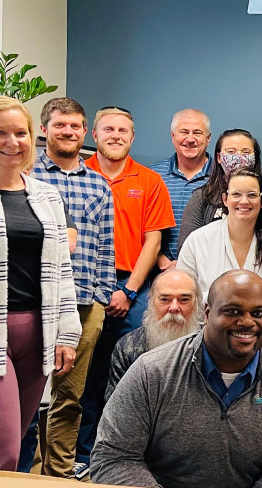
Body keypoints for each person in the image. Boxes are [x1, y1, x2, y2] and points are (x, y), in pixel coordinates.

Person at [90, 269, 262, 488]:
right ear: (207, 314)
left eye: (259, 313)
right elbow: (113, 455)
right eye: (233, 311)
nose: (247, 322)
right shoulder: (152, 371)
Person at [0, 96, 81, 471]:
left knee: (21, 439)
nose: (12, 142)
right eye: (0, 132)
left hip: (38, 334)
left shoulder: (46, 195)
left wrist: (67, 332)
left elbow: (62, 269)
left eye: (21, 133)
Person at [76, 106, 176, 476]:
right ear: (95, 135)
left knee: (139, 364)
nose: (116, 135)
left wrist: (129, 291)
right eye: (108, 129)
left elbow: (154, 241)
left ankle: (131, 451)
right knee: (85, 372)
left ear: (132, 137)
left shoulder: (149, 181)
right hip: (84, 284)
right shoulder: (80, 175)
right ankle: (84, 455)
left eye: (123, 130)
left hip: (132, 282)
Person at [26, 97, 118, 478]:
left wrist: (101, 296)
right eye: (60, 125)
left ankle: (59, 473)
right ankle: (26, 472)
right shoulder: (26, 175)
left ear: (85, 132)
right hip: (32, 301)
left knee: (70, 397)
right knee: (28, 395)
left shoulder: (98, 184)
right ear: (45, 129)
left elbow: (105, 246)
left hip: (84, 303)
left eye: (75, 126)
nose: (68, 132)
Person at [177, 168, 262, 299]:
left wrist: (243, 294)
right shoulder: (197, 241)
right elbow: (183, 294)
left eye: (252, 195)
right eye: (236, 194)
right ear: (225, 199)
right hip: (209, 319)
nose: (244, 201)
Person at [178, 128, 262, 250]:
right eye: (231, 152)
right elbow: (186, 249)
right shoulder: (202, 196)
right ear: (219, 157)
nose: (239, 157)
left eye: (246, 152)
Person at [105, 269, 202, 401]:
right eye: (165, 299)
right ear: (151, 302)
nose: (174, 307)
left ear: (197, 304)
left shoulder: (212, 347)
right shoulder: (128, 348)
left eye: (184, 299)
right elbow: (115, 410)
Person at [149, 109, 212, 267]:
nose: (190, 139)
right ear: (173, 136)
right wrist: (164, 264)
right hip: (159, 270)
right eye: (184, 132)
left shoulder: (224, 177)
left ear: (208, 138)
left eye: (197, 133)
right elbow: (139, 227)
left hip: (208, 270)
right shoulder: (153, 175)